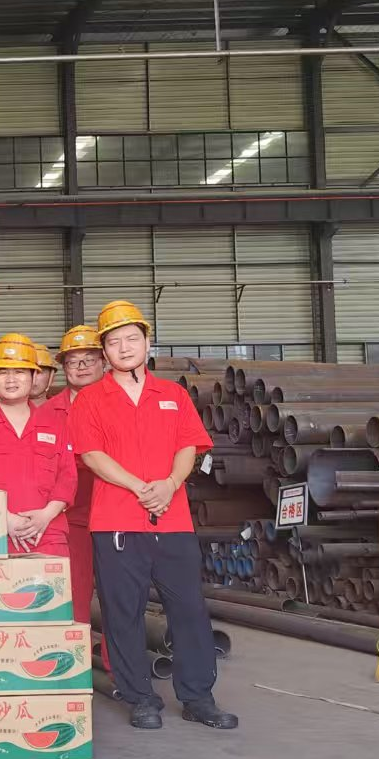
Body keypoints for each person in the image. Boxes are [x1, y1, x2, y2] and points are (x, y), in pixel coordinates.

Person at [72, 300, 237, 731]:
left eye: (132, 338)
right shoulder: (90, 399)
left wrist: (169, 484)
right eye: (114, 342)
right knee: (121, 612)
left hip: (172, 518)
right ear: (104, 351)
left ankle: (198, 697)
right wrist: (137, 487)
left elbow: (189, 446)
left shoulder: (173, 395)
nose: (124, 347)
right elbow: (91, 454)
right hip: (116, 521)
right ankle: (140, 697)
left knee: (189, 609)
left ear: (147, 343)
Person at [0, 334, 74, 557]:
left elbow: (67, 476)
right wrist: (6, 519)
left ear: (34, 376)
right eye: (3, 372)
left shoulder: (54, 423)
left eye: (19, 372)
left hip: (48, 534)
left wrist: (46, 516)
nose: (11, 379)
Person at [51, 323, 107, 623]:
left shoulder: (122, 405)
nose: (81, 367)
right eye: (73, 361)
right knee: (74, 592)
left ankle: (117, 655)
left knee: (119, 595)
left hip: (116, 511)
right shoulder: (48, 412)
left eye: (89, 359)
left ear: (103, 362)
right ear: (64, 368)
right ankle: (78, 651)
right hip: (70, 516)